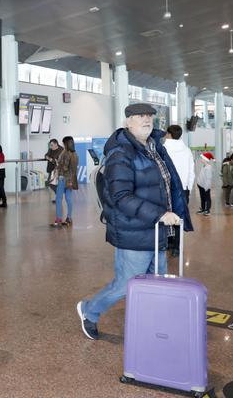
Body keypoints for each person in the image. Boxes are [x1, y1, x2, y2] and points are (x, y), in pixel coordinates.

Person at [76, 103, 193, 340]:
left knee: (154, 283)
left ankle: (149, 326)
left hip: (157, 229)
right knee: (125, 284)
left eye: (150, 115)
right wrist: (160, 214)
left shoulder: (153, 147)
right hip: (134, 231)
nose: (147, 119)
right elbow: (121, 197)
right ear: (127, 121)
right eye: (140, 116)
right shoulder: (121, 153)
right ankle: (89, 310)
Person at [163, 125, 194, 256]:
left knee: (166, 214)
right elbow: (191, 171)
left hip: (167, 187)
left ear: (168, 134)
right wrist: (188, 189)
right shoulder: (187, 150)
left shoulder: (163, 149)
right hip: (183, 188)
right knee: (179, 217)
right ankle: (177, 247)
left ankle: (168, 242)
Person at [51, 136, 79, 227]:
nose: (62, 144)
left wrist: (58, 164)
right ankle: (69, 218)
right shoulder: (75, 154)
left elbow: (65, 167)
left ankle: (58, 218)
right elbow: (73, 169)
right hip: (70, 179)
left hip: (63, 178)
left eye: (63, 143)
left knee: (59, 198)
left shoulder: (66, 153)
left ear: (66, 143)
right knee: (68, 198)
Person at [44, 139, 62, 203]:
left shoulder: (61, 150)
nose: (50, 147)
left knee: (53, 183)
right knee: (50, 183)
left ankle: (59, 197)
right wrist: (49, 158)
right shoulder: (50, 149)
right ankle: (59, 197)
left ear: (56, 144)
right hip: (51, 169)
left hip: (57, 170)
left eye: (51, 145)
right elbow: (46, 155)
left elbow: (57, 161)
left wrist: (52, 160)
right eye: (50, 145)